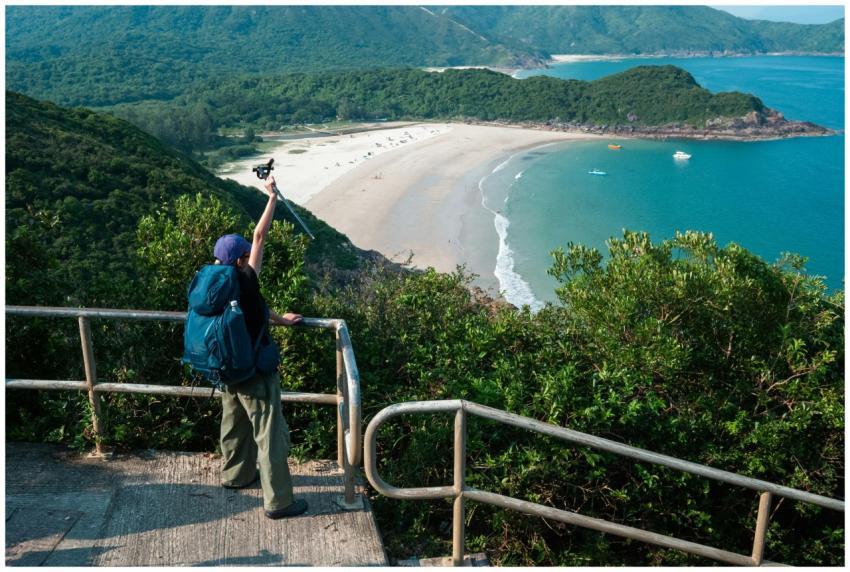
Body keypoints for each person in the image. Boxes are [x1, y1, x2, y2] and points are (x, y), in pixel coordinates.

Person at [214, 175, 308, 519]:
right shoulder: (246, 279)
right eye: (244, 255)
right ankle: (279, 502)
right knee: (269, 434)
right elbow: (259, 235)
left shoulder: (214, 286)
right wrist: (272, 198)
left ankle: (236, 476)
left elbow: (258, 313)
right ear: (240, 259)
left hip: (225, 368)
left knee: (234, 423)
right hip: (253, 370)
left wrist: (279, 319)